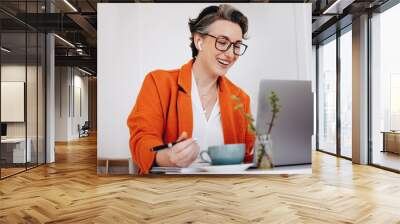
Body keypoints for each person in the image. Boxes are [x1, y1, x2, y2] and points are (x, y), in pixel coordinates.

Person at [127, 4, 255, 174]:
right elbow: (142, 139)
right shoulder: (158, 82)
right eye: (223, 42)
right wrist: (166, 157)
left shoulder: (241, 99)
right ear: (199, 41)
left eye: (237, 46)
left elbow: (249, 155)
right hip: (171, 194)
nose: (231, 54)